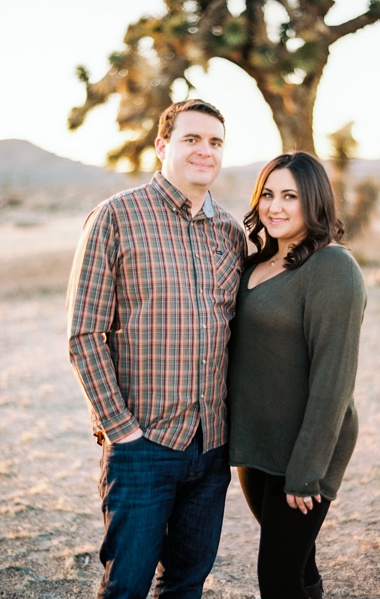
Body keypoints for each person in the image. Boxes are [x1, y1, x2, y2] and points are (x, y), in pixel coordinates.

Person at [67, 99, 246, 598]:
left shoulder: (231, 233)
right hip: (142, 447)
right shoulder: (115, 218)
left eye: (215, 142)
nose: (204, 151)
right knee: (127, 586)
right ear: (163, 146)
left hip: (211, 449)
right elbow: (84, 334)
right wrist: (121, 431)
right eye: (191, 139)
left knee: (186, 585)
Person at [227, 151, 367, 598]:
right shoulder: (255, 263)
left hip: (304, 451)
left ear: (315, 202)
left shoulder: (332, 269)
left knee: (276, 577)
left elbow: (334, 379)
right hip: (257, 444)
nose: (275, 207)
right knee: (298, 565)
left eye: (290, 196)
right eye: (267, 194)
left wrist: (307, 472)